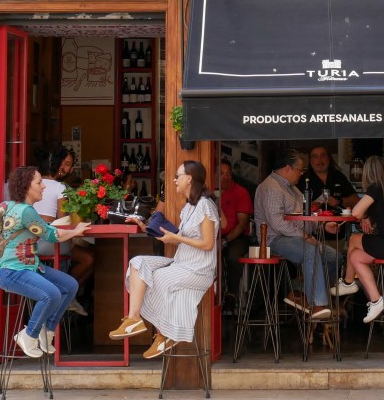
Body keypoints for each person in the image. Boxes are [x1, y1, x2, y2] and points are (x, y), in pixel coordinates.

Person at [108, 160, 219, 359]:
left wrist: (175, 238)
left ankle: (165, 334)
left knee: (157, 279)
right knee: (137, 264)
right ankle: (134, 319)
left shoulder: (205, 206)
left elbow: (208, 244)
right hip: (181, 264)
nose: (174, 180)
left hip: (199, 270)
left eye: (178, 176)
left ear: (189, 179)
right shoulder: (188, 208)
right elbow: (180, 238)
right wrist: (144, 226)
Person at [0, 165, 91, 357]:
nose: (44, 187)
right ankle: (29, 334)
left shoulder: (8, 205)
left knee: (70, 285)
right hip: (13, 271)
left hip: (29, 267)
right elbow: (50, 235)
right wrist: (75, 231)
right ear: (26, 186)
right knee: (52, 294)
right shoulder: (26, 211)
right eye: (39, 183)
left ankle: (46, 331)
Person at [253, 149, 339, 320]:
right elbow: (277, 224)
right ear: (287, 168)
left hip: (296, 237)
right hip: (274, 239)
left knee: (334, 257)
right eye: (300, 169)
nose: (302, 173)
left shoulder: (293, 189)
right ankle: (317, 304)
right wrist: (306, 236)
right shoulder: (271, 188)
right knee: (311, 252)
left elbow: (304, 216)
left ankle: (299, 292)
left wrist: (322, 227)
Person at [330, 155, 384, 323]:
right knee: (355, 257)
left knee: (354, 239)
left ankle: (347, 283)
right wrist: (367, 217)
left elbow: (355, 213)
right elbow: (375, 213)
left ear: (367, 174)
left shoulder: (375, 188)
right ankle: (376, 300)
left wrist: (362, 216)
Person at [32, 143, 91, 317]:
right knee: (87, 256)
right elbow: (62, 219)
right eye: (65, 163)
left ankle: (65, 293)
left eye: (69, 165)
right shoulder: (61, 188)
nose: (68, 169)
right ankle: (66, 293)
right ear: (55, 162)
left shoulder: (32, 184)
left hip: (28, 243)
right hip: (47, 242)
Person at [219, 159, 253, 307]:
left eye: (228, 173)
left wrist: (226, 240)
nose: (226, 177)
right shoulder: (207, 192)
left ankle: (231, 293)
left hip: (237, 236)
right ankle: (215, 295)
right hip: (212, 236)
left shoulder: (241, 192)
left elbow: (243, 223)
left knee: (234, 256)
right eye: (221, 173)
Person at [303, 145, 359, 211]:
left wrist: (338, 201)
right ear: (310, 160)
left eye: (323, 156)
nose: (319, 160)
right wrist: (309, 205)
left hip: (338, 219)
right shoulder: (303, 178)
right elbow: (293, 204)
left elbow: (356, 200)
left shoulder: (338, 176)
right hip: (313, 219)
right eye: (315, 157)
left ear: (329, 158)